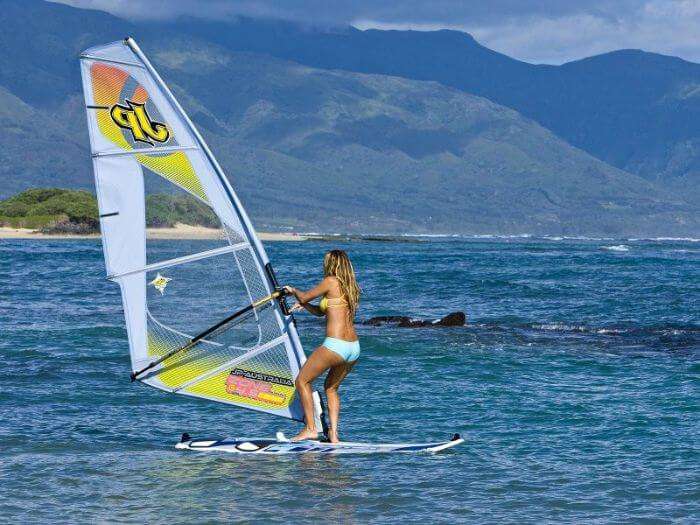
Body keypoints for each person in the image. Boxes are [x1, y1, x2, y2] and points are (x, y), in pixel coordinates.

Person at [284, 249, 361, 443]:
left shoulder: (331, 281)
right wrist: (307, 307)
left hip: (335, 345)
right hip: (353, 348)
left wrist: (293, 291)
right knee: (331, 388)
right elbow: (321, 312)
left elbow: (304, 296)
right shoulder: (349, 287)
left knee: (302, 381)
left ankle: (311, 429)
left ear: (332, 264)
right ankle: (333, 435)